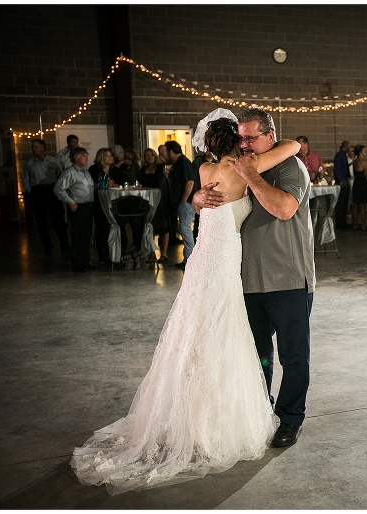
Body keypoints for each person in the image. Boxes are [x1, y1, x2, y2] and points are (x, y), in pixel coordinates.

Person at [71, 109, 301, 495]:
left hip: (201, 259)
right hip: (225, 259)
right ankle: (212, 421)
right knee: (221, 330)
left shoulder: (207, 172)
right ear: (235, 141)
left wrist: (195, 197)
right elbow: (295, 145)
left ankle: (187, 415)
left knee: (194, 330)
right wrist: (257, 152)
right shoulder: (246, 165)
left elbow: (201, 201)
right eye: (241, 139)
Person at [194, 107, 314, 449]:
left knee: (293, 356)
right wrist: (198, 199)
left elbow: (284, 209)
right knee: (256, 354)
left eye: (251, 138)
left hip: (288, 278)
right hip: (244, 280)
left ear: (269, 137)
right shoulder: (237, 165)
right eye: (240, 138)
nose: (244, 144)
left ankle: (291, 419)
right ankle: (260, 413)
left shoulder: (292, 167)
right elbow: (214, 199)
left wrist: (251, 176)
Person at [23, 138, 70, 254]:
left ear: (43, 147)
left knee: (58, 217)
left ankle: (64, 244)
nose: (33, 149)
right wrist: (30, 191)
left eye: (36, 146)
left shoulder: (53, 161)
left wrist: (59, 190)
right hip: (37, 190)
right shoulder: (29, 164)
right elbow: (26, 180)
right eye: (32, 147)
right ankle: (47, 245)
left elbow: (60, 175)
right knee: (41, 219)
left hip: (51, 189)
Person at [54, 147, 95, 272]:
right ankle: (77, 263)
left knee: (87, 235)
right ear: (76, 158)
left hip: (88, 206)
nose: (87, 158)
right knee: (77, 235)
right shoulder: (70, 172)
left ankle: (85, 261)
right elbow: (58, 189)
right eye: (84, 156)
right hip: (78, 206)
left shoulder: (86, 172)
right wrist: (70, 201)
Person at [137, 148, 173, 262]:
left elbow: (163, 182)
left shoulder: (160, 168)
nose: (149, 157)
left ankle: (164, 253)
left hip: (160, 201)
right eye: (147, 155)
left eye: (151, 155)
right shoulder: (143, 169)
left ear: (155, 156)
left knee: (163, 227)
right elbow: (140, 182)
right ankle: (151, 253)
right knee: (149, 226)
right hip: (147, 201)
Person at [166, 140, 195, 270]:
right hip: (182, 202)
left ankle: (191, 260)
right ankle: (187, 259)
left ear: (171, 151)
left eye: (167, 151)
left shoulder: (183, 162)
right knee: (184, 230)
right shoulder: (178, 163)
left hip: (186, 203)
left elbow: (190, 182)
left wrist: (184, 200)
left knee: (185, 229)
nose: (167, 154)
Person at [88, 148, 117, 265]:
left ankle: (115, 253)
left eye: (111, 155)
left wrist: (115, 184)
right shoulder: (94, 169)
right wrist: (102, 184)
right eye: (107, 156)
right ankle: (103, 255)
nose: (110, 158)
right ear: (101, 157)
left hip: (114, 202)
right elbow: (90, 186)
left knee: (113, 227)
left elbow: (124, 182)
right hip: (99, 202)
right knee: (102, 228)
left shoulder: (115, 170)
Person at [350, 145, 367, 230]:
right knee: (363, 205)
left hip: (356, 183)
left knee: (355, 205)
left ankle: (355, 224)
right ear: (360, 152)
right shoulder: (364, 161)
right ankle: (363, 225)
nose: (366, 152)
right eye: (364, 151)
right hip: (362, 184)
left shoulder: (355, 161)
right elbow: (365, 174)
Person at [333, 140, 351, 229]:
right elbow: (337, 168)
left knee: (344, 202)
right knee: (341, 202)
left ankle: (343, 221)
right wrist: (340, 179)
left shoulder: (343, 155)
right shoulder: (340, 155)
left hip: (344, 179)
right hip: (342, 180)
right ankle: (340, 222)